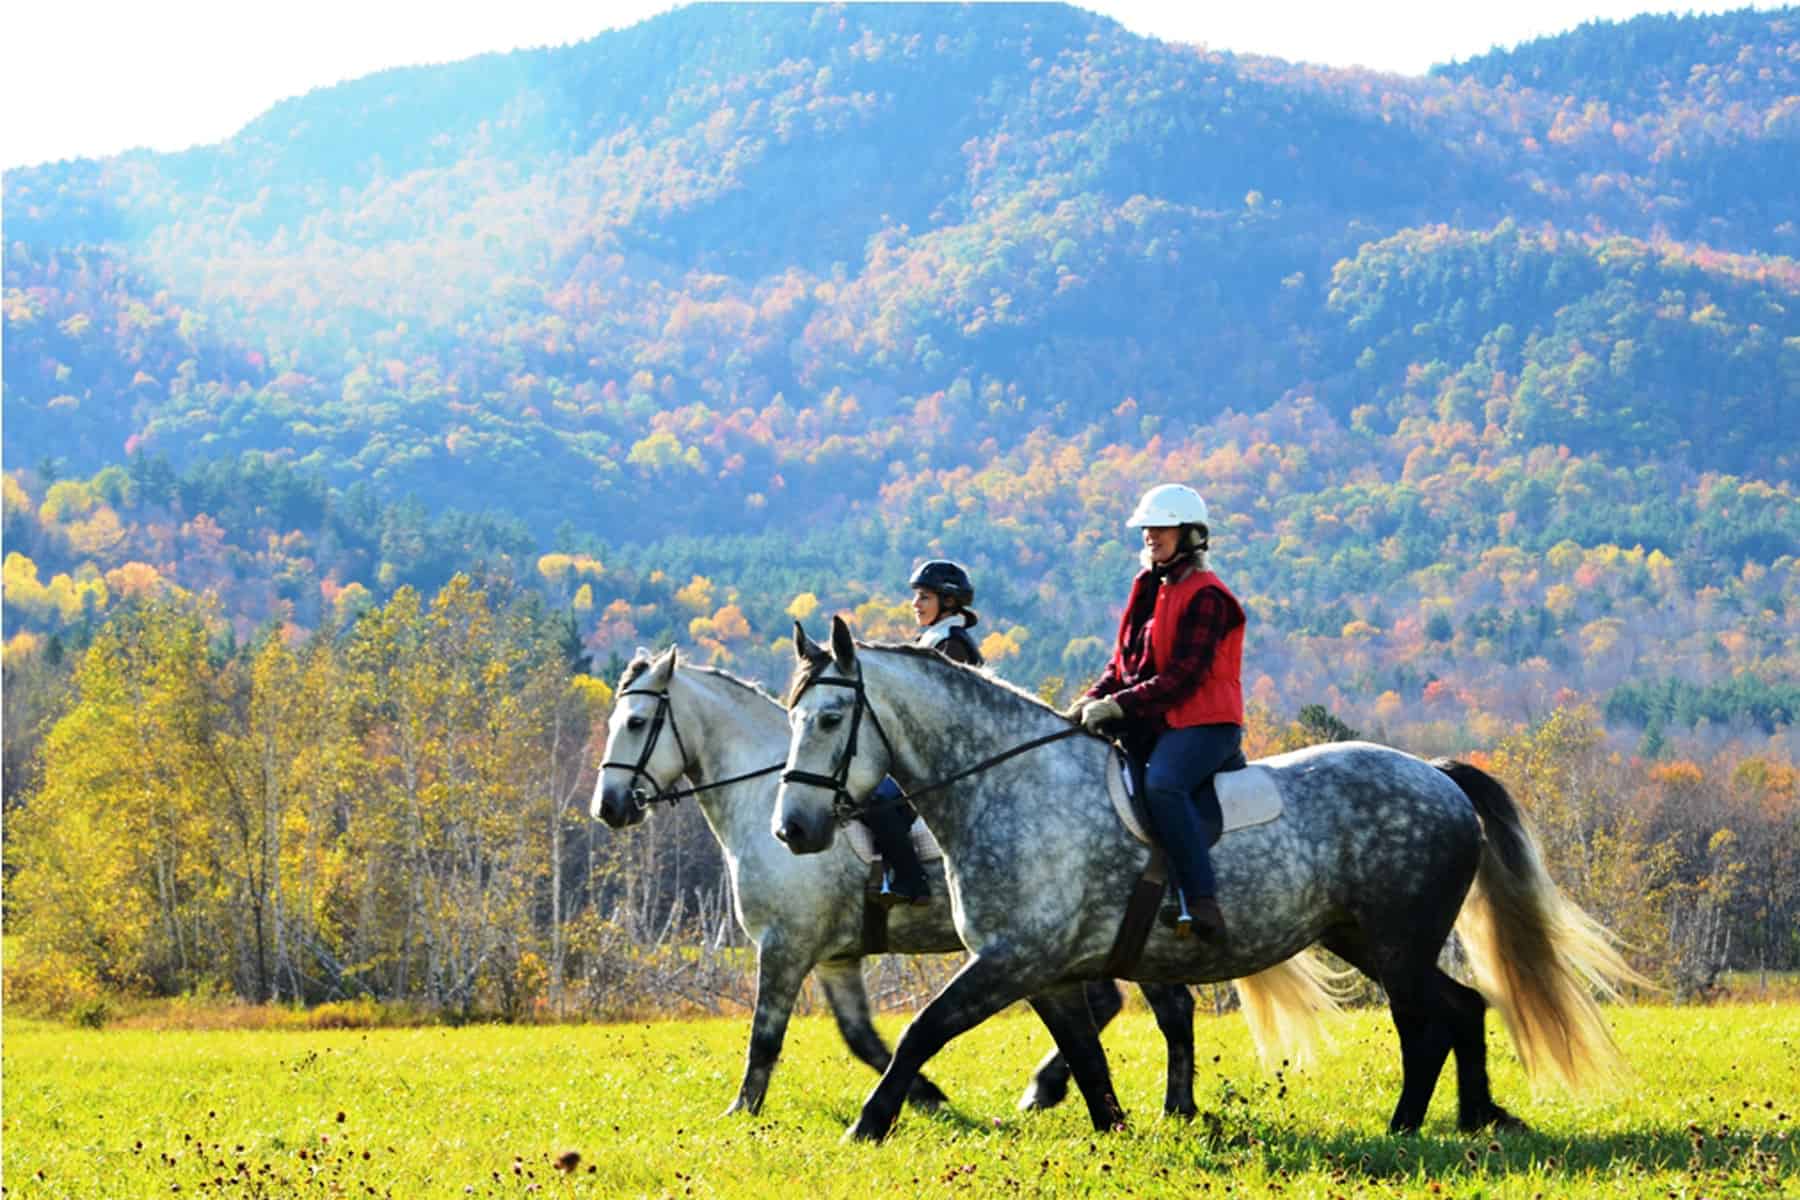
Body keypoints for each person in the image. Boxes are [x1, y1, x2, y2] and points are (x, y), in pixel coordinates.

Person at [1068, 484, 1245, 940]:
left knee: (1163, 784)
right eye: (1147, 528)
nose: (1151, 535)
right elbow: (1122, 664)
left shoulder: (1208, 596)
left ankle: (1201, 899)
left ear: (1188, 535)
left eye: (1162, 528)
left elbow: (1183, 677)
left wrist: (1118, 705)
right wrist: (1093, 698)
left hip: (1205, 723)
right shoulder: (1148, 587)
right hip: (1157, 720)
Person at [864, 559, 984, 906]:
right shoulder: (932, 641)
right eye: (916, 596)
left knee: (879, 799)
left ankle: (909, 880)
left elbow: (937, 714)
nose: (915, 604)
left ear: (948, 603)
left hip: (946, 760)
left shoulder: (952, 647)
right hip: (921, 751)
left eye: (925, 597)